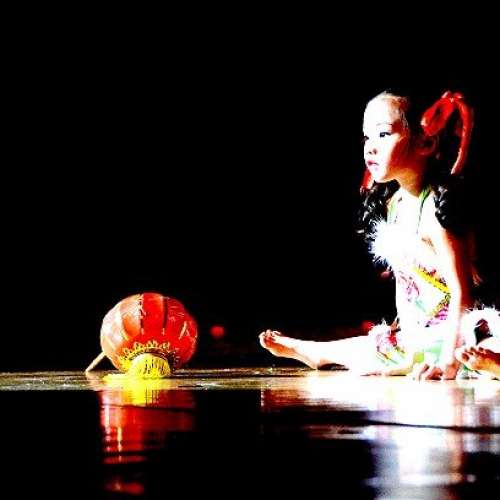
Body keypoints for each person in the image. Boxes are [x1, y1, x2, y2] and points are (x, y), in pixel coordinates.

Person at [259, 88, 499, 380]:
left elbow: (462, 293)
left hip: (457, 331)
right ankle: (315, 351)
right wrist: (405, 334)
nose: (370, 147)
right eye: (367, 138)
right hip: (422, 334)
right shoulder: (394, 204)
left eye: (383, 134)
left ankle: (490, 364)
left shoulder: (436, 210)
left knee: (484, 346)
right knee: (373, 345)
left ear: (425, 143)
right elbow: (405, 285)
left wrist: (448, 361)